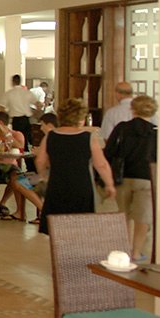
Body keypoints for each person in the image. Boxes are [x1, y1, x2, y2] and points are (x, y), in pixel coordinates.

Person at [35, 98, 117, 235]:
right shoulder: (88, 138)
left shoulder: (50, 136)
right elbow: (101, 164)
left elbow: (40, 161)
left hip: (57, 185)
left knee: (57, 225)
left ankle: (59, 247)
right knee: (80, 225)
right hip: (81, 186)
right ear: (80, 117)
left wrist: (44, 176)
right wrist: (109, 184)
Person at [105, 95, 157, 261]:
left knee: (123, 215)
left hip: (123, 176)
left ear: (133, 109)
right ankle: (136, 252)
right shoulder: (155, 131)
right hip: (146, 178)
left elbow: (109, 151)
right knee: (143, 218)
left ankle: (125, 251)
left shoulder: (122, 128)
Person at [8, 113, 55, 223]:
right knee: (15, 178)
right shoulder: (50, 138)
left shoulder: (51, 138)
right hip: (46, 173)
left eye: (42, 125)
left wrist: (39, 154)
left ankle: (44, 211)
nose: (41, 128)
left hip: (48, 175)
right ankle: (20, 211)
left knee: (20, 182)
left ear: (50, 125)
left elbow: (47, 163)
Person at [0, 74, 36, 153]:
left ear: (12, 82)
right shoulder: (27, 92)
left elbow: (1, 107)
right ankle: (28, 159)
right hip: (26, 120)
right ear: (20, 81)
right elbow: (38, 104)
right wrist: (34, 113)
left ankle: (18, 157)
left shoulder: (9, 93)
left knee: (17, 141)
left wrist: (7, 115)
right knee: (27, 142)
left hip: (16, 120)